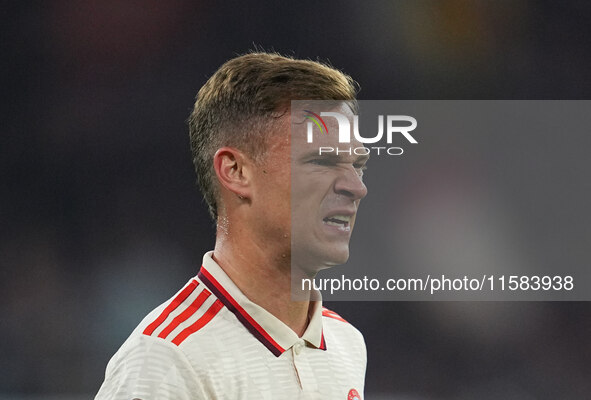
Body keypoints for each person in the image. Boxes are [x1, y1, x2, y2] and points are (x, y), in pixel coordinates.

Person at [95, 52, 368, 400]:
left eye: (357, 166)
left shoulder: (346, 343)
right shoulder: (167, 360)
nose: (356, 187)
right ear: (236, 172)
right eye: (323, 160)